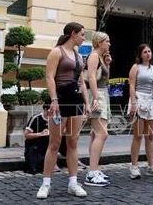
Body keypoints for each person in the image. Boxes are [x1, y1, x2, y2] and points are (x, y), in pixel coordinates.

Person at [36, 22, 90, 199]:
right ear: (73, 34)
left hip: (75, 101)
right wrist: (54, 100)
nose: (83, 37)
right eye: (82, 34)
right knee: (55, 143)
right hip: (60, 100)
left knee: (73, 142)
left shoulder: (79, 56)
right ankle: (46, 184)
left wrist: (87, 103)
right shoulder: (57, 52)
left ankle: (73, 183)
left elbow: (82, 82)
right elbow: (50, 77)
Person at [127, 43, 153, 179]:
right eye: (145, 52)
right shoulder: (135, 67)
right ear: (140, 54)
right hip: (139, 99)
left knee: (150, 135)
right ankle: (134, 166)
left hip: (151, 102)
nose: (148, 54)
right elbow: (131, 85)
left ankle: (151, 166)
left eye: (149, 51)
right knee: (138, 135)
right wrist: (133, 102)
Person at [84, 32, 113, 187]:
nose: (109, 44)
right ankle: (91, 173)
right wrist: (94, 98)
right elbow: (91, 78)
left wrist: (108, 64)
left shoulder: (101, 57)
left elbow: (103, 79)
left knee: (95, 134)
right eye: (107, 41)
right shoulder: (94, 56)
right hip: (97, 96)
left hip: (102, 95)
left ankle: (94, 169)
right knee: (102, 134)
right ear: (99, 42)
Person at [25, 103, 55, 174]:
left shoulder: (56, 118)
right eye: (51, 110)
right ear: (45, 109)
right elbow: (26, 135)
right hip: (36, 145)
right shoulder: (36, 118)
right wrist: (40, 134)